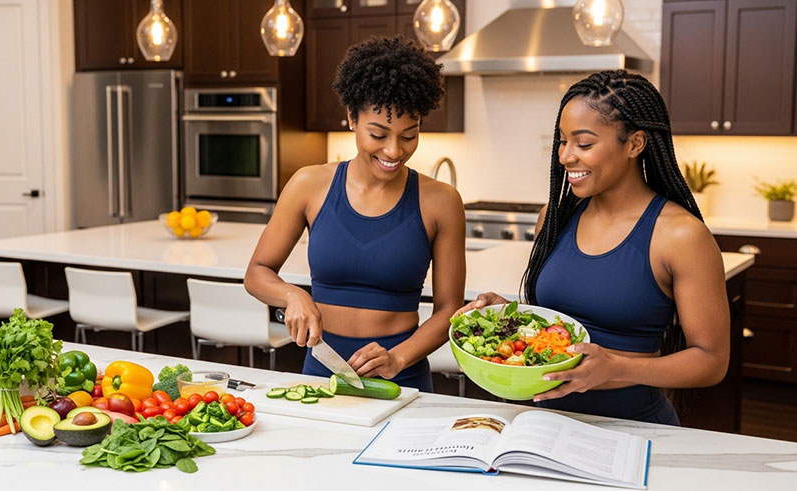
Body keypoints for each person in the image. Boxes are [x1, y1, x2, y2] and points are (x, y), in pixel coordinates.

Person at [458, 70, 729, 425]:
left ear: (635, 144)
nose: (566, 156)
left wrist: (617, 368)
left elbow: (711, 361)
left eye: (583, 144)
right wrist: (509, 315)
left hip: (634, 426)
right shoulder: (553, 219)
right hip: (543, 422)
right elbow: (558, 325)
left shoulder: (680, 236)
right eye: (562, 141)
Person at [244, 35, 466, 392]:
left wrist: (399, 358)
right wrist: (293, 295)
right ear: (351, 117)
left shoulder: (442, 201)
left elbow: (449, 312)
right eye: (378, 134)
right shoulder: (309, 184)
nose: (394, 150)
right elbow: (257, 273)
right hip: (320, 375)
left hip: (401, 382)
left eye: (409, 135)